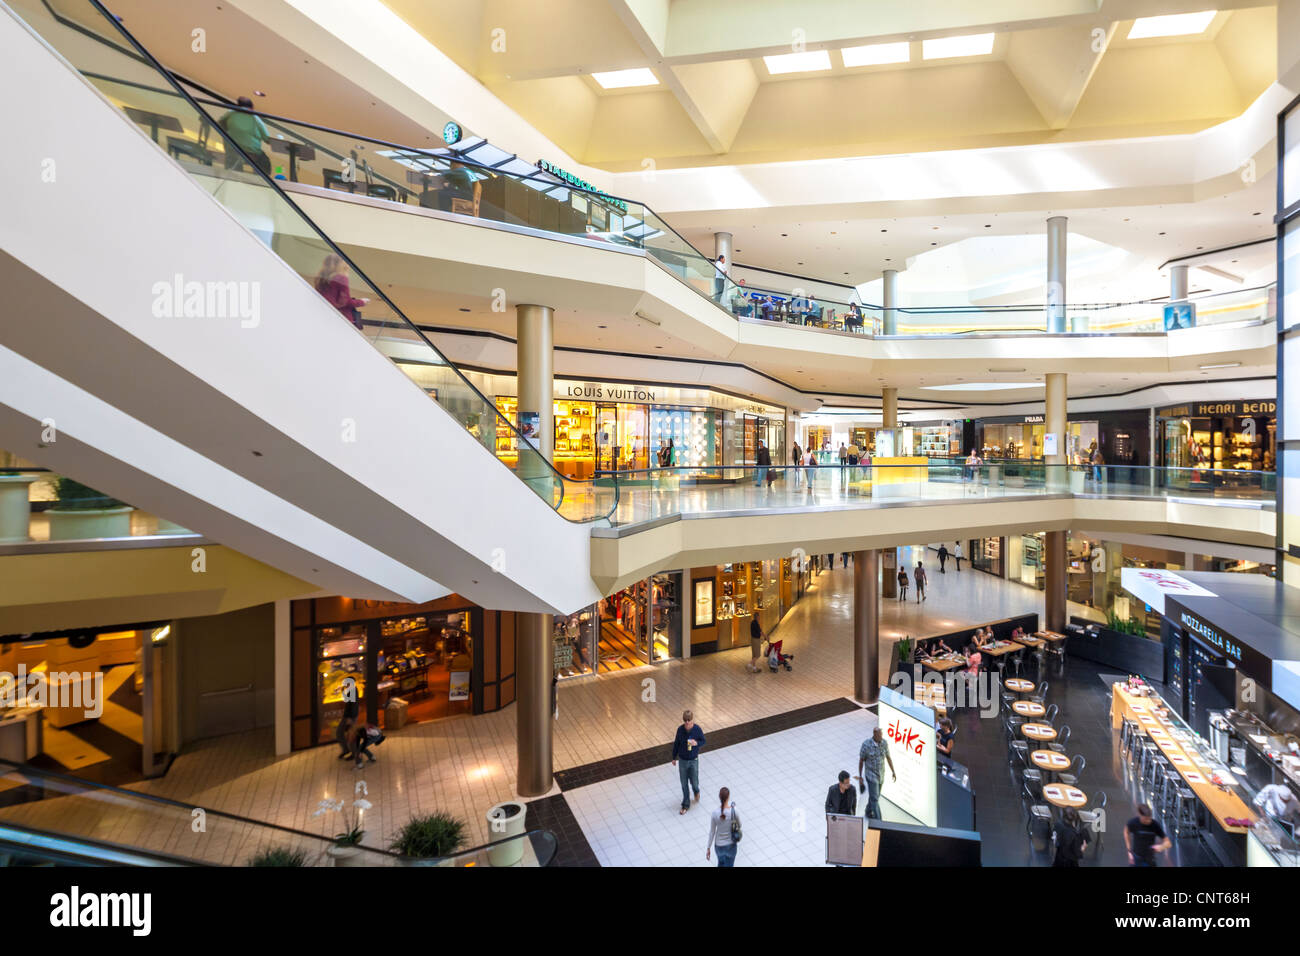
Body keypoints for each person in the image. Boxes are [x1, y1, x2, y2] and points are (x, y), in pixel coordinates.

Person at [218, 96, 271, 174]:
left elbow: (220, 123)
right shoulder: (255, 117)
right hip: (252, 152)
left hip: (232, 149)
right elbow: (267, 139)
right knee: (265, 162)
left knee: (233, 163)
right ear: (251, 107)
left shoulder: (230, 113)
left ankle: (232, 173)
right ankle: (260, 179)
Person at [314, 255, 369, 330]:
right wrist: (362, 302)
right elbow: (345, 302)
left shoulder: (320, 279)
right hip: (342, 318)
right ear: (340, 264)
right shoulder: (341, 278)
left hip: (325, 315)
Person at [671, 710, 706, 814]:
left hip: (693, 760)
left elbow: (703, 741)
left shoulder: (697, 729)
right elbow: (676, 743)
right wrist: (674, 757)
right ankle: (685, 804)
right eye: (685, 720)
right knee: (684, 783)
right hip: (682, 760)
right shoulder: (680, 730)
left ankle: (696, 791)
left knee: (694, 782)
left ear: (692, 720)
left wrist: (696, 743)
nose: (687, 722)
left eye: (689, 720)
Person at [858, 726, 896, 819]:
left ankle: (867, 811)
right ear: (874, 734)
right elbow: (861, 760)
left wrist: (893, 771)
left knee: (876, 795)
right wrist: (860, 776)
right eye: (879, 735)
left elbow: (888, 757)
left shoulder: (884, 743)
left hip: (881, 775)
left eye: (882, 735)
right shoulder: (866, 745)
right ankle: (879, 821)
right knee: (875, 799)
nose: (881, 737)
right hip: (871, 776)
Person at [706, 787, 740, 866]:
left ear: (719, 797)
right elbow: (740, 825)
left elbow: (712, 832)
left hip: (719, 846)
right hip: (731, 845)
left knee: (721, 863)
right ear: (728, 797)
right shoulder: (734, 811)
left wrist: (708, 847)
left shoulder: (715, 813)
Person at [336, 694, 360, 760]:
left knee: (342, 733)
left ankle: (354, 753)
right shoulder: (351, 689)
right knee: (342, 733)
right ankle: (348, 751)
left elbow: (352, 705)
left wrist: (349, 718)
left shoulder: (352, 689)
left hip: (350, 717)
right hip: (349, 716)